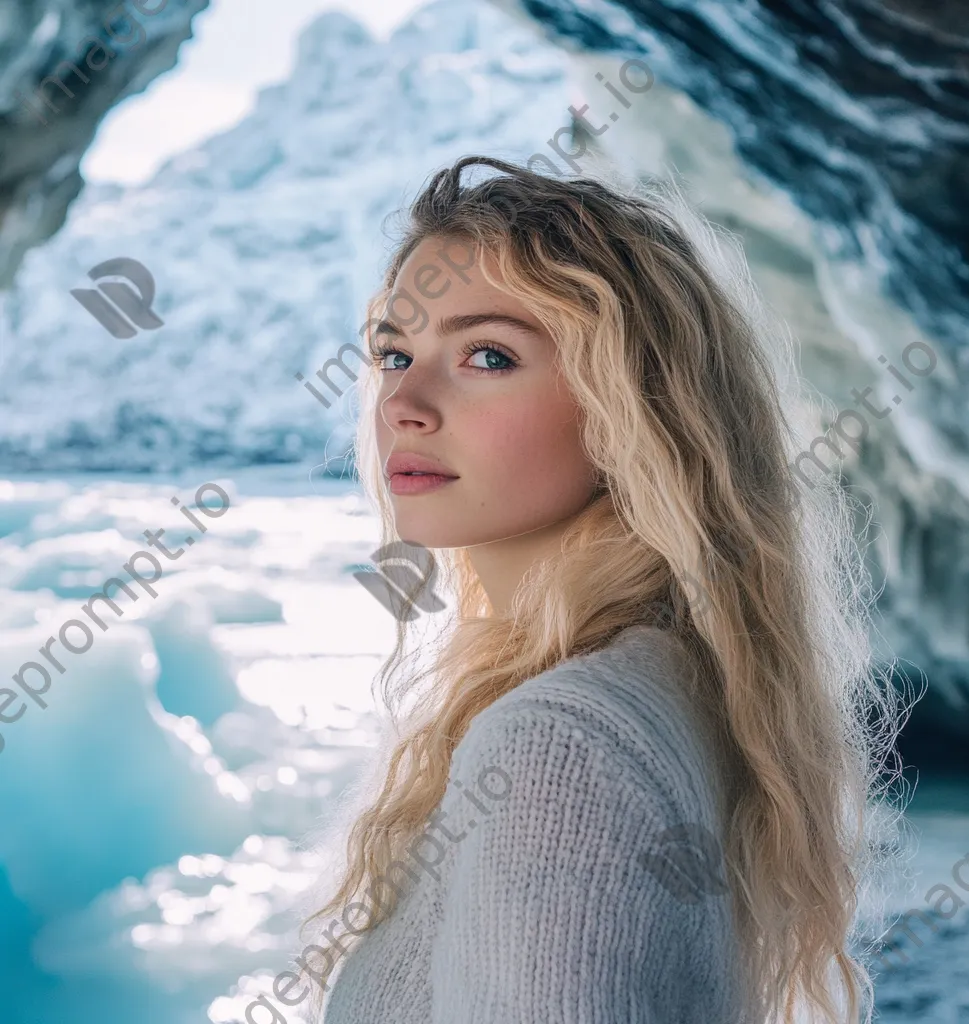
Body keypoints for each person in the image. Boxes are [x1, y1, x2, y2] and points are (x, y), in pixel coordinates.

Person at [298, 155, 910, 1024]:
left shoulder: (558, 748)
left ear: (630, 405)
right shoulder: (660, 683)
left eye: (486, 355)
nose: (404, 401)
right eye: (394, 352)